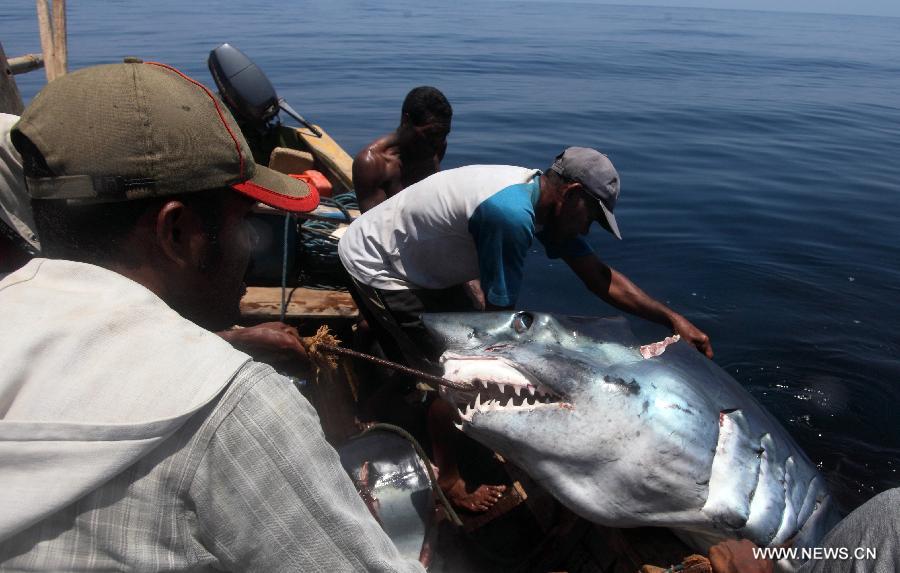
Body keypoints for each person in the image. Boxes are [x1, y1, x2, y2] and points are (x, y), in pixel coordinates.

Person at [0, 61, 423, 572]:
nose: (249, 249)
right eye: (244, 223)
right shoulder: (237, 407)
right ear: (176, 233)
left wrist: (231, 338)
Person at [338, 149, 713, 512]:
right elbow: (493, 336)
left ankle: (381, 396)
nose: (587, 228)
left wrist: (671, 319)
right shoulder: (511, 217)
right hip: (380, 265)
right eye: (592, 218)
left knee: (438, 350)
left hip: (419, 258)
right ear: (573, 194)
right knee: (455, 375)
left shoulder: (541, 198)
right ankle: (448, 480)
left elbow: (599, 278)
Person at [352, 86, 452, 213]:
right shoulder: (373, 163)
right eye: (430, 134)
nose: (438, 142)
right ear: (406, 121)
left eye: (444, 134)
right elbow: (375, 225)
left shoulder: (436, 145)